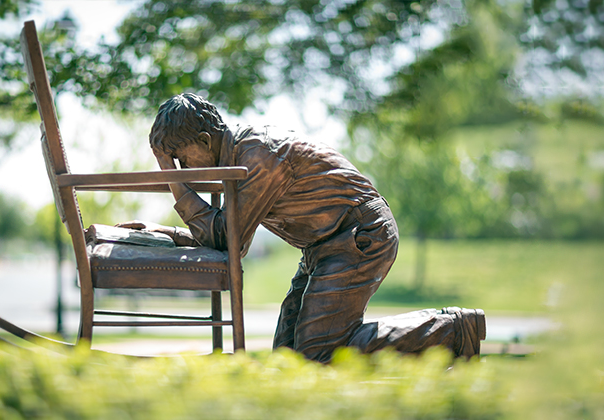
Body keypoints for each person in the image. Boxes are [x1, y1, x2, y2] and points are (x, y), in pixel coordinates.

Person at [119, 93, 484, 362]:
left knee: (317, 356)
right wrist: (164, 232)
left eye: (182, 159)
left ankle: (453, 331)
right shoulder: (236, 157)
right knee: (288, 359)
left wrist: (172, 180)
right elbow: (227, 232)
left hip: (358, 237)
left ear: (203, 140)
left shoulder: (256, 156)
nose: (183, 169)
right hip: (324, 248)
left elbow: (229, 240)